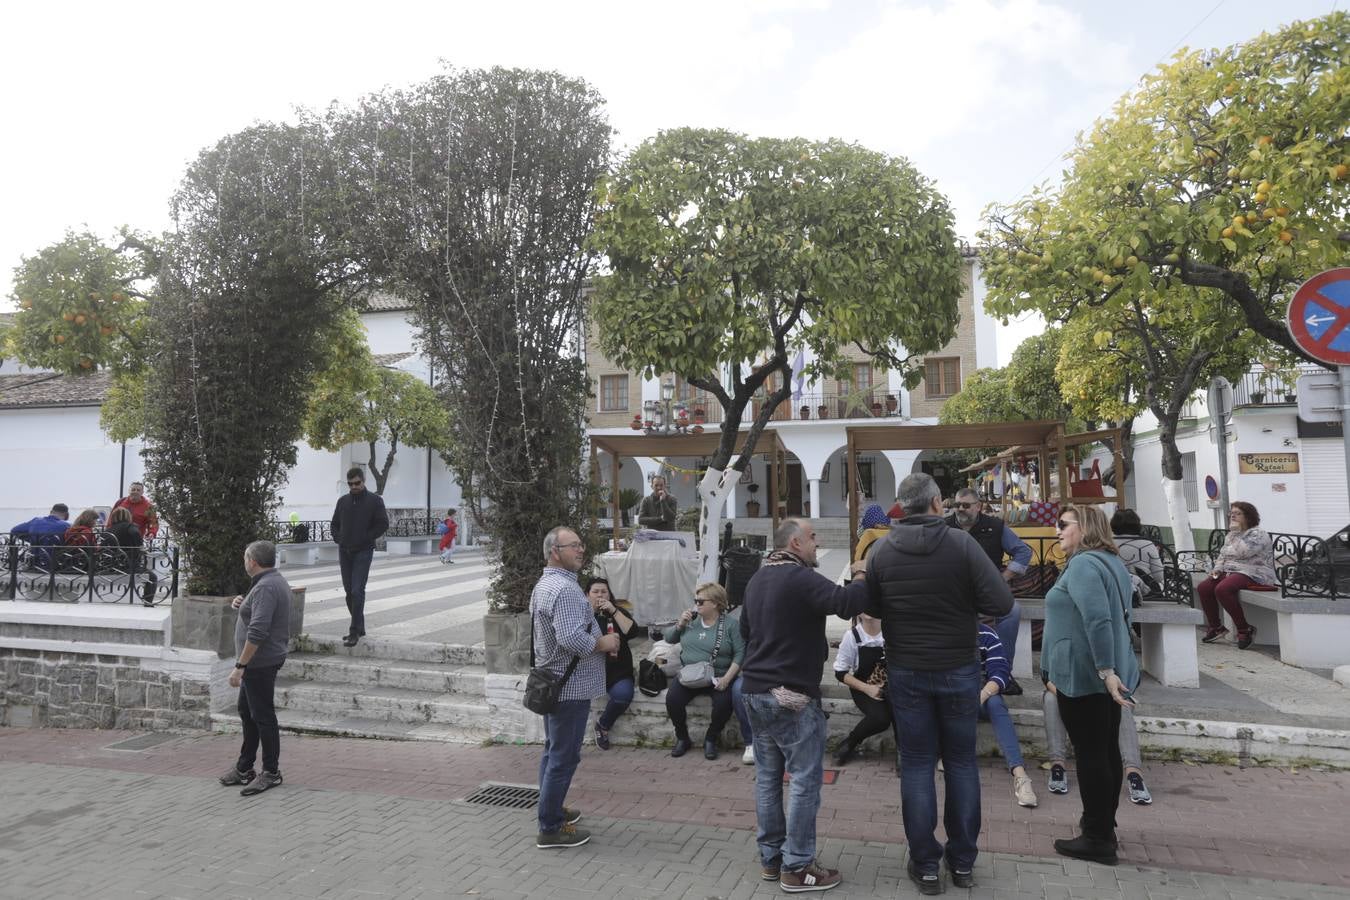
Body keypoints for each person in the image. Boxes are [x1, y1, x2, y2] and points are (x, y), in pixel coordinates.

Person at [863, 473, 1014, 895]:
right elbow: (1001, 603)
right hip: (959, 668)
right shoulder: (962, 544)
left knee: (916, 764)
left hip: (907, 670)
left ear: (901, 508)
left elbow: (871, 609)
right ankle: (962, 864)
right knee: (962, 763)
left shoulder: (881, 550)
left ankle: (926, 866)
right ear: (935, 505)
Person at [740, 518, 872, 892]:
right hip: (790, 696)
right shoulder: (798, 577)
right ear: (795, 543)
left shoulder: (757, 579)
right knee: (802, 780)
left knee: (767, 778)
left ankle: (771, 860)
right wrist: (860, 574)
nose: (816, 544)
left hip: (754, 690)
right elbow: (847, 605)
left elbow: (748, 633)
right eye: (813, 538)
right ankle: (797, 867)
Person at [1041, 504, 1139, 866]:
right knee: (1105, 750)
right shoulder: (1110, 560)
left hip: (1084, 675)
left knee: (1091, 754)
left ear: (1084, 527)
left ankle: (1097, 837)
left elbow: (1097, 620)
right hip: (1101, 675)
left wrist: (1105, 670)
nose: (1057, 531)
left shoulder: (1084, 564)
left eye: (1063, 525)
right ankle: (1102, 824)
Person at [530, 526, 620, 849]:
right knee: (564, 758)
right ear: (555, 551)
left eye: (581, 545)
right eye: (574, 546)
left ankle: (550, 809)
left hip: (555, 684)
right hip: (569, 689)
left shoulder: (546, 584)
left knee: (553, 752)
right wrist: (603, 641)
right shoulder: (565, 590)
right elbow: (571, 639)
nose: (581, 550)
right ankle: (550, 827)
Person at [218, 540, 292, 797]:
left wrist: (240, 666)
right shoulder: (269, 581)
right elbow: (258, 612)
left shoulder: (267, 587)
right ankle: (244, 767)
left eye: (245, 557)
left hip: (259, 662)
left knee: (262, 716)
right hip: (260, 662)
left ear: (253, 561)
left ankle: (271, 772)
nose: (244, 561)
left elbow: (258, 632)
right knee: (247, 711)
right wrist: (243, 603)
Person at [947, 488, 1030, 694]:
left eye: (966, 505)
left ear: (978, 506)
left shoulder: (995, 526)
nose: (960, 509)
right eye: (957, 505)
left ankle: (1002, 672)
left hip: (986, 589)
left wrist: (1003, 578)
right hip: (951, 591)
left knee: (1012, 611)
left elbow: (1023, 551)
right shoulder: (943, 527)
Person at [663, 582, 752, 762]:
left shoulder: (730, 625)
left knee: (723, 704)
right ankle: (682, 737)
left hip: (718, 675)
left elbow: (741, 653)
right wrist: (680, 624)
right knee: (673, 699)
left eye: (701, 601)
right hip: (690, 675)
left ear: (716, 603)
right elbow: (669, 638)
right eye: (696, 600)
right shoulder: (691, 622)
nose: (697, 604)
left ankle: (711, 738)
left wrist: (727, 679)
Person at [1043, 687, 1153, 805]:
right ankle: (1057, 765)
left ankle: (1134, 773)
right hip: (1068, 694)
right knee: (1051, 698)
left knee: (1121, 703)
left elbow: (1125, 679)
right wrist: (1072, 697)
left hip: (1103, 694)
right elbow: (1047, 677)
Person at [1197, 501, 1275, 650]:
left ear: (1248, 516)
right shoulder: (1231, 535)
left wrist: (1234, 534)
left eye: (1237, 513)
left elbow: (1244, 552)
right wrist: (1217, 569)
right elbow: (1223, 554)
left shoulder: (1258, 534)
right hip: (1230, 571)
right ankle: (1216, 627)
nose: (1233, 516)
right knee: (1204, 587)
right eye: (1231, 513)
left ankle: (1244, 630)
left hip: (1254, 572)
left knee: (1222, 589)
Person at [976, 622, 1038, 808]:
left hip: (982, 696)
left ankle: (1020, 775)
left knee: (995, 703)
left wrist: (980, 697)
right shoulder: (945, 631)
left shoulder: (987, 634)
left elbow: (1001, 673)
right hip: (953, 698)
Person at [331, 467, 389, 647]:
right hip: (345, 551)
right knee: (349, 592)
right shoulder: (342, 501)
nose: (354, 486)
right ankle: (360, 625)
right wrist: (339, 538)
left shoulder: (375, 501)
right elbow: (334, 524)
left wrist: (366, 537)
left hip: (363, 551)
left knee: (357, 590)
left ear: (363, 481)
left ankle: (354, 631)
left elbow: (383, 523)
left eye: (357, 483)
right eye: (350, 484)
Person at [831, 612, 896, 768]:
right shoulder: (852, 636)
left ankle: (903, 753)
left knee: (900, 711)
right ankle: (851, 741)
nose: (868, 609)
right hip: (863, 687)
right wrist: (868, 689)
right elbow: (840, 673)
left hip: (894, 686)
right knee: (880, 719)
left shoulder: (893, 632)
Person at [586, 576, 639, 750]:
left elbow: (632, 632)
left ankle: (603, 726)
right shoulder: (581, 614)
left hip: (618, 672)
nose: (600, 595)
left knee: (623, 696)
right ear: (587, 595)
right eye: (595, 592)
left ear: (609, 594)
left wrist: (614, 611)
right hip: (590, 671)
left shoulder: (618, 612)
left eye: (604, 591)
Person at [108, 506, 158, 604]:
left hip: (111, 566)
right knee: (152, 577)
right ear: (128, 516)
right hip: (129, 566)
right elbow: (138, 543)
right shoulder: (130, 527)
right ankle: (148, 602)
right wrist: (141, 548)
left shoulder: (108, 530)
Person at [1110, 509, 1164, 600]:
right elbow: (1159, 577)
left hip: (1115, 593)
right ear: (1138, 525)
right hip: (1146, 593)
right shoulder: (1148, 544)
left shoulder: (1107, 544)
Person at [12, 503, 70, 568]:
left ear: (51, 512)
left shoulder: (35, 521)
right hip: (56, 564)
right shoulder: (67, 526)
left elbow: (14, 531)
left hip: (34, 562)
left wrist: (32, 539)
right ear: (66, 515)